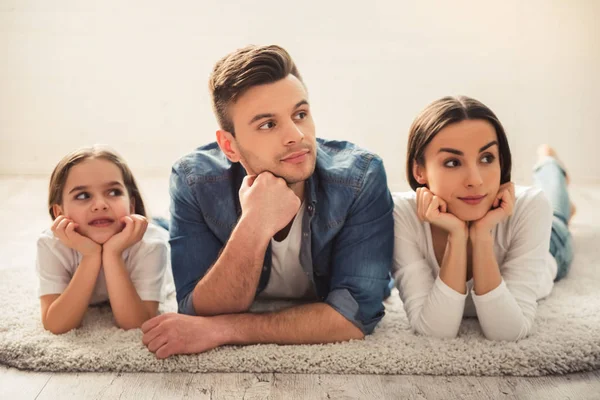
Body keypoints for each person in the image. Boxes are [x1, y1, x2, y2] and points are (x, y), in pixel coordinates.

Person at [141, 45, 394, 358]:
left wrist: (225, 329)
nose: (296, 135)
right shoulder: (195, 180)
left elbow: (354, 317)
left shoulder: (360, 177)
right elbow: (196, 308)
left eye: (300, 114)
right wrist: (254, 223)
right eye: (268, 124)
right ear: (229, 146)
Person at [392, 96, 574, 341]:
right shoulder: (401, 214)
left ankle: (548, 162)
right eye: (453, 162)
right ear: (419, 171)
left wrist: (481, 236)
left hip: (550, 247)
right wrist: (458, 236)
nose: (475, 180)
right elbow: (434, 331)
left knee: (558, 218)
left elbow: (509, 332)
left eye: (487, 158)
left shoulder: (530, 206)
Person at [37, 145, 170, 334]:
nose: (100, 205)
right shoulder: (51, 244)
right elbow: (56, 324)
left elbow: (137, 324)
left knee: (171, 227)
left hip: (165, 232)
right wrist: (91, 256)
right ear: (59, 212)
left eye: (114, 192)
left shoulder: (151, 245)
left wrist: (113, 254)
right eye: (83, 196)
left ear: (131, 206)